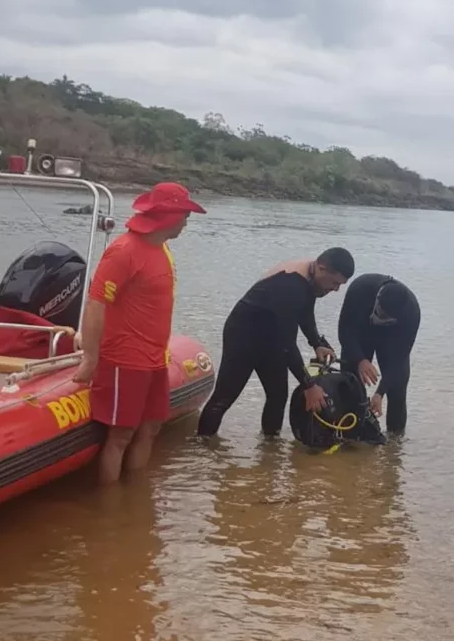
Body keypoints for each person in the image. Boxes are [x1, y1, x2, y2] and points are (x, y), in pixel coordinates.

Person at [73, 182, 206, 485]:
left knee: (151, 428)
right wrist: (91, 358)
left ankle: (136, 499)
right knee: (120, 436)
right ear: (169, 216)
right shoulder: (124, 251)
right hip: (125, 360)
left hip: (156, 358)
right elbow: (96, 303)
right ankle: (110, 503)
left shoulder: (163, 249)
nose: (187, 223)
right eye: (185, 215)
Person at [197, 249, 355, 439]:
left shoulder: (310, 275)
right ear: (322, 268)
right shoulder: (291, 285)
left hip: (271, 335)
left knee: (278, 395)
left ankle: (270, 445)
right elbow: (288, 344)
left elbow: (305, 311)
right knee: (224, 397)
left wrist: (317, 343)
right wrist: (309, 385)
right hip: (243, 334)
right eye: (335, 283)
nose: (336, 290)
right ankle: (202, 444)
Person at [338, 274, 420, 434]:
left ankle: (395, 442)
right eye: (379, 313)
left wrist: (379, 393)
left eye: (385, 318)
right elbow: (344, 332)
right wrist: (360, 360)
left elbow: (398, 361)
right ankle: (349, 434)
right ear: (378, 297)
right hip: (361, 332)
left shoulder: (412, 313)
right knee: (351, 384)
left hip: (391, 338)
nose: (379, 319)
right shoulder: (360, 288)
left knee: (397, 388)